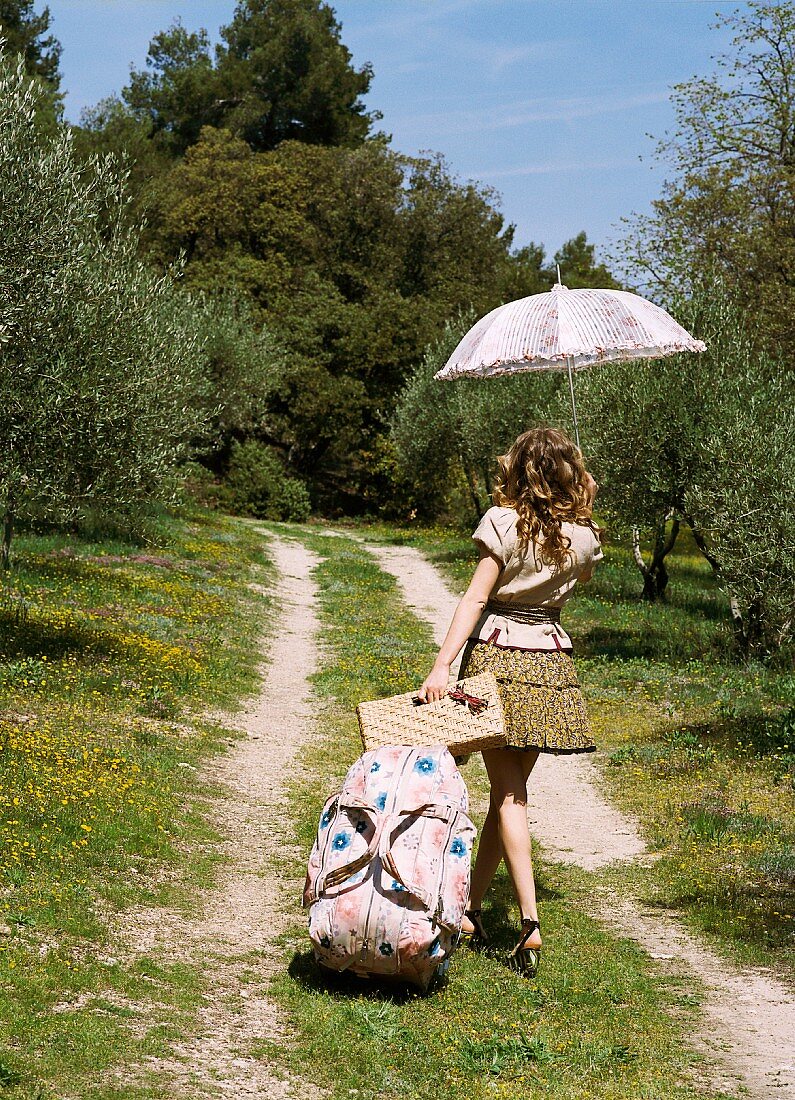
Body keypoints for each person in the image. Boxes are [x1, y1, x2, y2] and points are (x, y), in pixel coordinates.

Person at [417, 426, 602, 978]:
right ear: (569, 473)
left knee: (509, 798)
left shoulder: (503, 526)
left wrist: (443, 665)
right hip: (550, 663)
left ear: (519, 471)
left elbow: (476, 597)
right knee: (510, 793)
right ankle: (471, 908)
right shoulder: (585, 537)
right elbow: (575, 575)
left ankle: (528, 920)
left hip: (499, 658)